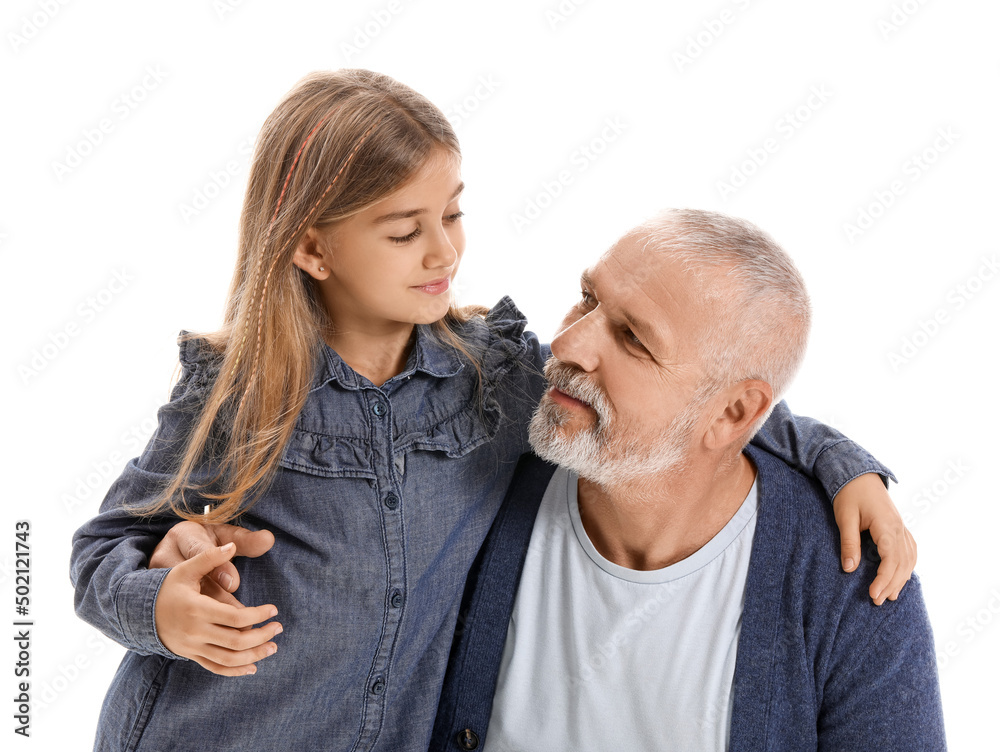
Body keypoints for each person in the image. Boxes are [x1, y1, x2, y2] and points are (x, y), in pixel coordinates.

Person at [70, 70, 914, 752]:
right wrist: (162, 610)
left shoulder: (491, 375)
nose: (444, 251)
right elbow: (107, 546)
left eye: (454, 212)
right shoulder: (238, 390)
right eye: (405, 232)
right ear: (312, 247)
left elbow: (689, 399)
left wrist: (845, 465)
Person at [431, 209, 946, 751]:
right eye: (588, 298)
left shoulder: (849, 582)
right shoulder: (483, 455)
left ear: (732, 415)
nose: (568, 345)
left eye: (633, 339)